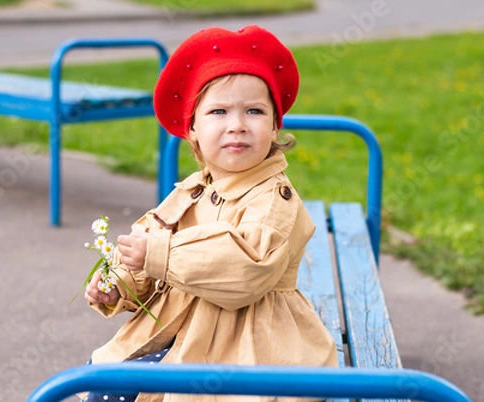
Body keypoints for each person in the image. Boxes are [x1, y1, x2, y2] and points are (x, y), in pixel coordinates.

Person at [82, 25, 339, 402]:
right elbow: (149, 248)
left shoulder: (273, 199)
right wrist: (119, 284)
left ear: (274, 126)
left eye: (254, 111)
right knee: (105, 382)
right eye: (219, 111)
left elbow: (245, 268)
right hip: (185, 329)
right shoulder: (193, 190)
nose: (237, 124)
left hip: (249, 340)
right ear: (193, 129)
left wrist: (158, 254)